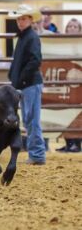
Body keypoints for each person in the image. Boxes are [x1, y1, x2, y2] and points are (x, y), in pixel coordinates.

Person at [8, 4, 45, 165]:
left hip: (29, 84)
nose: (20, 22)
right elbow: (28, 60)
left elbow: (35, 61)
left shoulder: (30, 37)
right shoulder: (25, 37)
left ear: (30, 20)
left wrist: (19, 78)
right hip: (26, 84)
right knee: (29, 118)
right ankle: (36, 153)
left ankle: (37, 154)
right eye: (19, 19)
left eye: (23, 19)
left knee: (31, 119)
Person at [56, 18, 82, 153]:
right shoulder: (63, 45)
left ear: (79, 30)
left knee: (77, 114)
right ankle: (68, 142)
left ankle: (77, 144)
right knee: (65, 112)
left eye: (75, 27)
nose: (72, 29)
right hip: (66, 83)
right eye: (69, 27)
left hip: (79, 84)